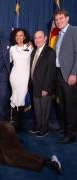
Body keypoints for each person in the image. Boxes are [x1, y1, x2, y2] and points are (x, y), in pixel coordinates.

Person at [54, 9, 77, 144]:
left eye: (61, 18)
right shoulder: (59, 35)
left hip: (69, 75)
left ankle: (71, 134)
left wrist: (74, 73)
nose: (59, 21)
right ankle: (66, 128)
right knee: (62, 104)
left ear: (67, 18)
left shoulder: (74, 31)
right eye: (57, 20)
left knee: (70, 106)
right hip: (59, 74)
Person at [28, 31, 56, 137]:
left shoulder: (50, 52)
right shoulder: (34, 51)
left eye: (40, 37)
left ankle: (45, 129)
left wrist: (46, 88)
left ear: (45, 38)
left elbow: (50, 72)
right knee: (38, 109)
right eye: (35, 38)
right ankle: (38, 126)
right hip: (35, 86)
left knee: (45, 109)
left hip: (44, 87)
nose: (37, 40)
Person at [9, 28, 32, 132]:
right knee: (15, 98)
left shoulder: (30, 47)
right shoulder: (12, 49)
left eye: (21, 35)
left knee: (21, 100)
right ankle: (14, 123)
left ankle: (20, 124)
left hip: (25, 78)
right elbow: (9, 61)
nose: (19, 37)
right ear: (15, 37)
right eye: (17, 35)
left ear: (24, 36)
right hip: (14, 77)